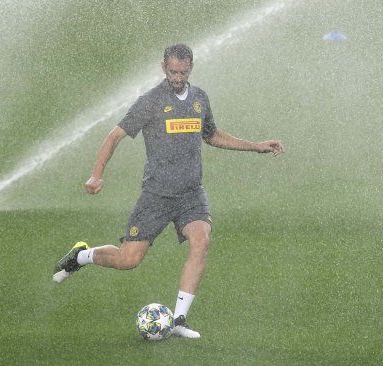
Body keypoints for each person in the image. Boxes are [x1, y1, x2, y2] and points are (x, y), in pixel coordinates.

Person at [52, 44, 284, 338]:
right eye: (173, 71)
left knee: (201, 240)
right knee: (128, 260)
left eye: (183, 72)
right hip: (157, 196)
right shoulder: (149, 102)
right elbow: (114, 137)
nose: (177, 77)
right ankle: (81, 256)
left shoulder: (199, 98)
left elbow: (211, 134)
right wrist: (96, 175)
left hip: (191, 194)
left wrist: (255, 146)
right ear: (164, 68)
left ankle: (179, 321)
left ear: (190, 69)